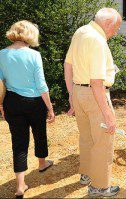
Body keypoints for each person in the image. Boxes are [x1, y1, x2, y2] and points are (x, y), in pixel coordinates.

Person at [64, 8, 122, 197]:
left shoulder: (81, 32)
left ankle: (86, 175)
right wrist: (108, 115)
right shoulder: (98, 41)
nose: (115, 33)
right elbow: (97, 83)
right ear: (108, 24)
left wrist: (72, 95)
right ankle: (100, 186)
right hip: (95, 95)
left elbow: (68, 65)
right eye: (116, 28)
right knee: (103, 141)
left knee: (86, 137)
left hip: (79, 92)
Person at [0, 20, 55, 197]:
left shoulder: (1, 54)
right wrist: (50, 108)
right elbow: (41, 85)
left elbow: (0, 83)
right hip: (34, 103)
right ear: (30, 35)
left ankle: (20, 185)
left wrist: (1, 104)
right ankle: (42, 164)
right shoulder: (34, 55)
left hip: (12, 102)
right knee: (39, 133)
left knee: (19, 143)